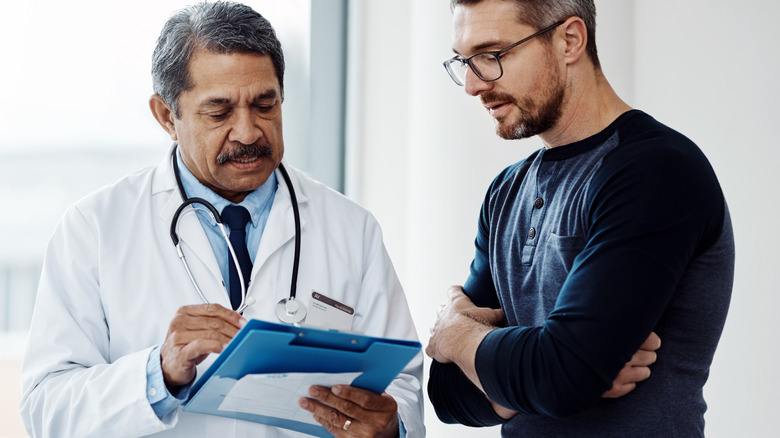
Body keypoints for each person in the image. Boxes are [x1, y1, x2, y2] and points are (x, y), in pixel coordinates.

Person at [19, 2, 423, 437]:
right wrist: (159, 373)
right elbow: (47, 408)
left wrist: (390, 426)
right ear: (166, 116)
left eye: (265, 105)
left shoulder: (350, 228)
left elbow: (404, 385)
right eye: (219, 112)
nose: (248, 132)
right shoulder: (94, 229)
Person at [425, 0, 734, 436]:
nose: (473, 85)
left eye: (491, 56)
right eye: (465, 61)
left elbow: (564, 373)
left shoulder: (657, 170)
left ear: (570, 40)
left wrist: (455, 336)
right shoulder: (505, 192)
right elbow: (448, 393)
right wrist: (544, 368)